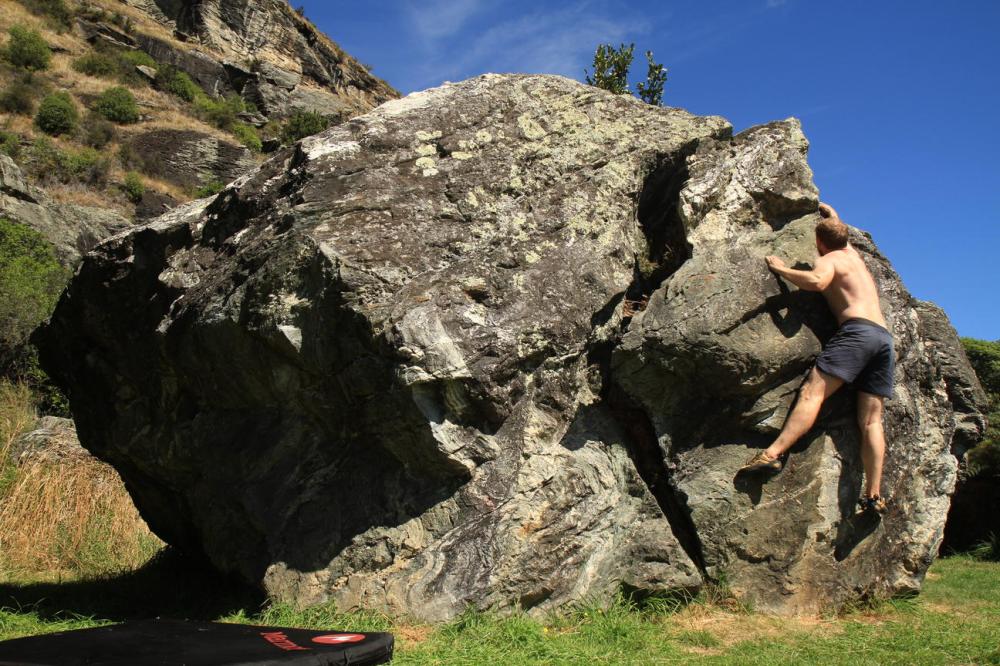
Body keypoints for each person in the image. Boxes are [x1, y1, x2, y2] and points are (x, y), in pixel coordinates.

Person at [739, 202, 894, 515]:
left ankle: (772, 454)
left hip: (857, 334)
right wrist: (832, 213)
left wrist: (781, 268)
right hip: (883, 340)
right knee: (871, 421)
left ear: (820, 243)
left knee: (813, 393)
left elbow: (818, 282)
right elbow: (837, 230)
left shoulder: (832, 259)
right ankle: (874, 495)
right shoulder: (851, 253)